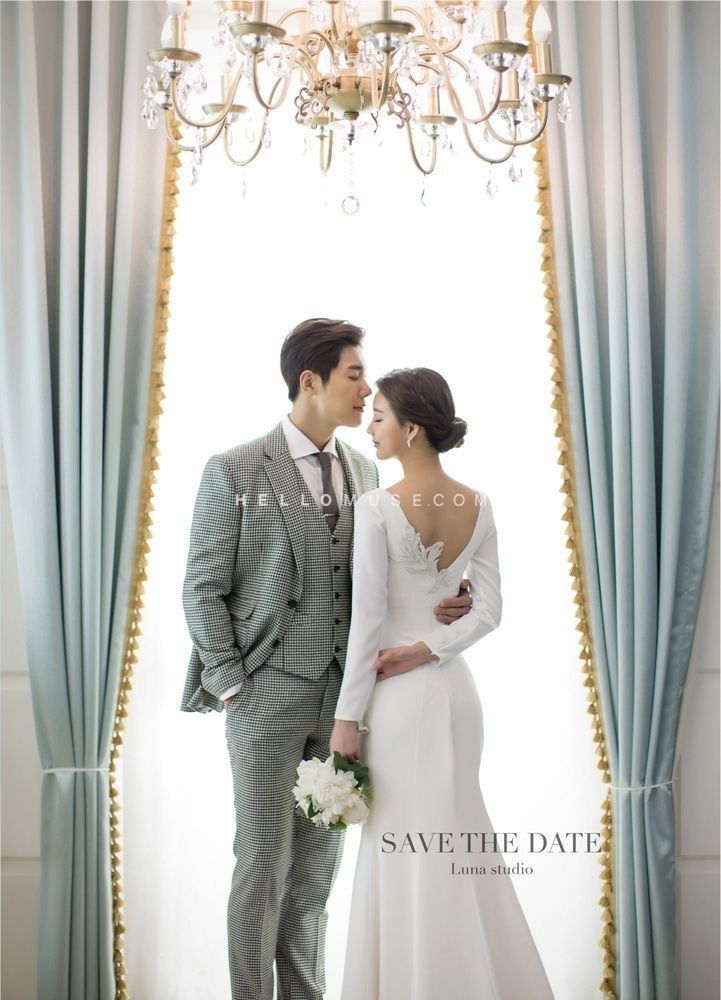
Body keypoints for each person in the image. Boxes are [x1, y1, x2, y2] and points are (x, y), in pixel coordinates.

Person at [179, 320, 473, 1000]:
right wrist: (230, 686)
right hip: (263, 696)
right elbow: (200, 585)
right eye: (352, 375)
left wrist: (446, 596)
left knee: (314, 877)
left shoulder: (368, 471)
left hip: (349, 705)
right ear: (309, 381)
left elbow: (386, 577)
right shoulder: (235, 469)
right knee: (261, 864)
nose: (365, 390)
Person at [330, 367, 555, 1000]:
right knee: (456, 837)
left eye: (379, 417)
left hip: (397, 704)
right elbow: (488, 611)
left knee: (405, 847)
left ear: (412, 428)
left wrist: (347, 718)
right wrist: (430, 648)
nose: (370, 427)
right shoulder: (477, 504)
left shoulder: (377, 506)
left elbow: (368, 619)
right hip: (455, 695)